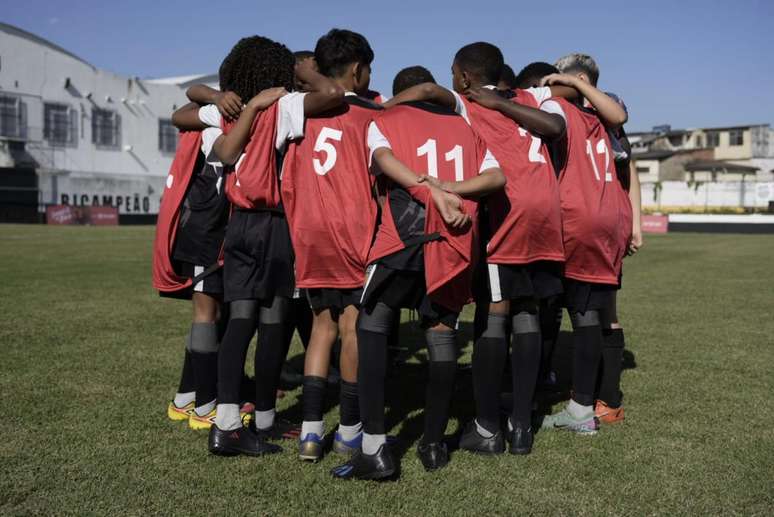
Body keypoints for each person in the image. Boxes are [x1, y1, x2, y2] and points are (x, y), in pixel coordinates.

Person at [383, 43, 569, 455]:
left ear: (465, 77)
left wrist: (382, 110)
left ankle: (488, 428)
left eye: (453, 72)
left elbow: (428, 91)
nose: (451, 80)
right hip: (547, 211)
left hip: (510, 210)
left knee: (497, 313)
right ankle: (522, 424)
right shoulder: (533, 96)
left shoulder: (466, 101)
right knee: (528, 312)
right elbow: (556, 127)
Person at [172, 35, 344, 456]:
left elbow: (182, 113)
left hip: (239, 226)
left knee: (245, 320)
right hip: (277, 224)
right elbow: (335, 94)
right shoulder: (282, 104)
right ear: (280, 70)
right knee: (272, 320)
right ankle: (258, 418)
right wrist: (307, 74)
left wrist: (223, 96)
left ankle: (233, 423)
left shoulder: (222, 109)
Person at [331, 71, 505, 479]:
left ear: (398, 94)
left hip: (400, 241)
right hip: (454, 242)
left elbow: (384, 161)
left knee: (371, 326)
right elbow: (497, 177)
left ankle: (374, 449)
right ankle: (431, 444)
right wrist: (450, 188)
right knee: (442, 335)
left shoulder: (385, 120)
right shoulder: (467, 126)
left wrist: (429, 189)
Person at [284, 29, 381, 463]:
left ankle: (308, 432)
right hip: (353, 231)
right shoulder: (371, 115)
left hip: (310, 231)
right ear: (358, 71)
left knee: (320, 326)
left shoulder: (303, 113)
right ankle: (348, 429)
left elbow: (288, 179)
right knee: (351, 326)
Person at [526, 65, 631, 435]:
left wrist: (564, 84)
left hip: (581, 217)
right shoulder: (602, 119)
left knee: (580, 313)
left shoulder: (564, 111)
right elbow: (619, 115)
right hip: (610, 219)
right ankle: (584, 401)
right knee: (590, 311)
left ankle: (580, 409)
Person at [554, 53, 643, 424]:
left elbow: (628, 160)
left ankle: (589, 401)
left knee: (590, 310)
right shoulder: (580, 116)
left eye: (560, 77)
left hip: (596, 220)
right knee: (605, 311)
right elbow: (630, 168)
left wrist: (635, 221)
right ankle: (607, 401)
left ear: (578, 79)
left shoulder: (605, 108)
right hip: (608, 218)